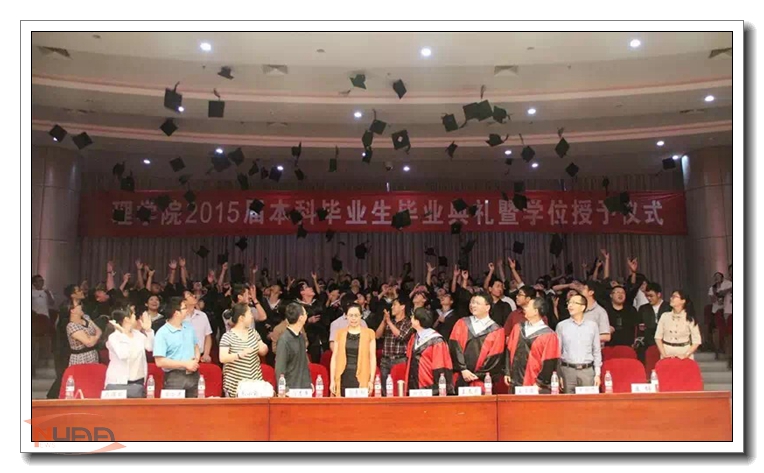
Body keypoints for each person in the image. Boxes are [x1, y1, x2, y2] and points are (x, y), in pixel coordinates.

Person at [449, 293, 505, 391]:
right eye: (472, 302)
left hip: (482, 381)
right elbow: (454, 347)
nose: (473, 305)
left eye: (477, 303)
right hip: (460, 376)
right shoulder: (462, 323)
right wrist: (463, 369)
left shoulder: (497, 330)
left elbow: (495, 356)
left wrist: (477, 375)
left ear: (487, 307)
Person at [504, 297, 560, 394]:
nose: (524, 308)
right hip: (514, 381)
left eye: (528, 306)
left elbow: (549, 362)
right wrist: (508, 372)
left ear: (535, 311)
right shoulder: (518, 328)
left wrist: (540, 383)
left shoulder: (549, 335)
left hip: (534, 383)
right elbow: (509, 350)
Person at [153, 297, 201, 398]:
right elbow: (159, 361)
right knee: (174, 407)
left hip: (193, 374)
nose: (187, 310)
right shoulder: (162, 333)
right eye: (184, 308)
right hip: (174, 376)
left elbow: (196, 346)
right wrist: (185, 364)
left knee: (194, 406)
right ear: (176, 313)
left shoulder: (189, 327)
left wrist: (196, 360)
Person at [556, 293, 602, 393]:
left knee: (588, 401)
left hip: (587, 371)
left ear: (582, 307)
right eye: (569, 303)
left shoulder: (592, 326)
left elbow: (596, 351)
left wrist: (597, 374)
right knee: (568, 401)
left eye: (574, 303)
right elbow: (557, 353)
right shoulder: (561, 326)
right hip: (567, 371)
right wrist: (559, 375)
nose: (570, 305)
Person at [219, 303, 268, 397]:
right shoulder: (228, 336)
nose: (252, 316)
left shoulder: (253, 332)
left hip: (255, 384)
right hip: (235, 386)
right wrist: (239, 354)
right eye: (249, 313)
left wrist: (264, 348)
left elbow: (262, 349)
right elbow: (223, 358)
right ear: (241, 318)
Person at [104, 309, 155, 397]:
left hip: (138, 379)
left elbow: (150, 347)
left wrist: (148, 330)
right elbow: (123, 355)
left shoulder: (138, 334)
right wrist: (124, 334)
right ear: (126, 319)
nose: (136, 318)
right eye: (134, 315)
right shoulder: (114, 337)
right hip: (119, 382)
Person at [405, 307, 454, 395]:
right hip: (413, 387)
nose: (410, 319)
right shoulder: (413, 338)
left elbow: (440, 366)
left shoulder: (437, 341)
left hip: (429, 388)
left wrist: (439, 390)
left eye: (412, 317)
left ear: (417, 321)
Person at [330, 304, 376, 396]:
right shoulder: (339, 333)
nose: (353, 318)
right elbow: (334, 357)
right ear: (346, 316)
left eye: (356, 315)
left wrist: (371, 380)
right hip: (343, 374)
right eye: (351, 315)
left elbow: (372, 358)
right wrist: (332, 380)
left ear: (361, 316)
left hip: (363, 374)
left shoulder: (369, 333)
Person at [375, 296, 415, 396]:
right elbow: (377, 335)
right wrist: (384, 321)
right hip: (385, 360)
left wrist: (389, 322)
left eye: (394, 305)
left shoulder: (409, 322)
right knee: (384, 391)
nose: (392, 307)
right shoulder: (389, 321)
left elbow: (401, 336)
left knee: (399, 389)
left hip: (400, 360)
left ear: (402, 307)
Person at [274, 302, 312, 390]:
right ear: (301, 318)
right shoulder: (284, 340)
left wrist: (309, 383)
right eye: (305, 313)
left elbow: (304, 364)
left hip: (304, 387)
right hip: (290, 389)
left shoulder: (301, 337)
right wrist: (284, 389)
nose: (307, 315)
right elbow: (280, 368)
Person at [655, 290, 702, 360]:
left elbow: (697, 340)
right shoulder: (664, 316)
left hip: (684, 352)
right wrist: (664, 354)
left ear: (683, 301)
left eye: (674, 297)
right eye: (671, 296)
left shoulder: (690, 318)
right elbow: (658, 337)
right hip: (667, 352)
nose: (671, 298)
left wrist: (686, 355)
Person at [636, 282, 672, 360]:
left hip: (666, 342)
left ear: (658, 294)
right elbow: (640, 326)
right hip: (648, 342)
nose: (649, 298)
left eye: (651, 296)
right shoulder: (643, 309)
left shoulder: (669, 307)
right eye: (647, 296)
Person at [182, 291, 214, 363]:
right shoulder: (179, 317)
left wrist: (206, 354)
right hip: (182, 358)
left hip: (200, 357)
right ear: (184, 301)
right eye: (190, 295)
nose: (194, 296)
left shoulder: (202, 315)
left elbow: (207, 336)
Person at [708, 272, 733, 357]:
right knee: (717, 330)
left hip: (727, 310)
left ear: (722, 277)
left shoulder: (728, 284)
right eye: (715, 277)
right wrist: (717, 295)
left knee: (728, 331)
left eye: (718, 276)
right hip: (716, 310)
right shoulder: (712, 288)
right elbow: (712, 300)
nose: (717, 278)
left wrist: (724, 292)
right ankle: (718, 350)